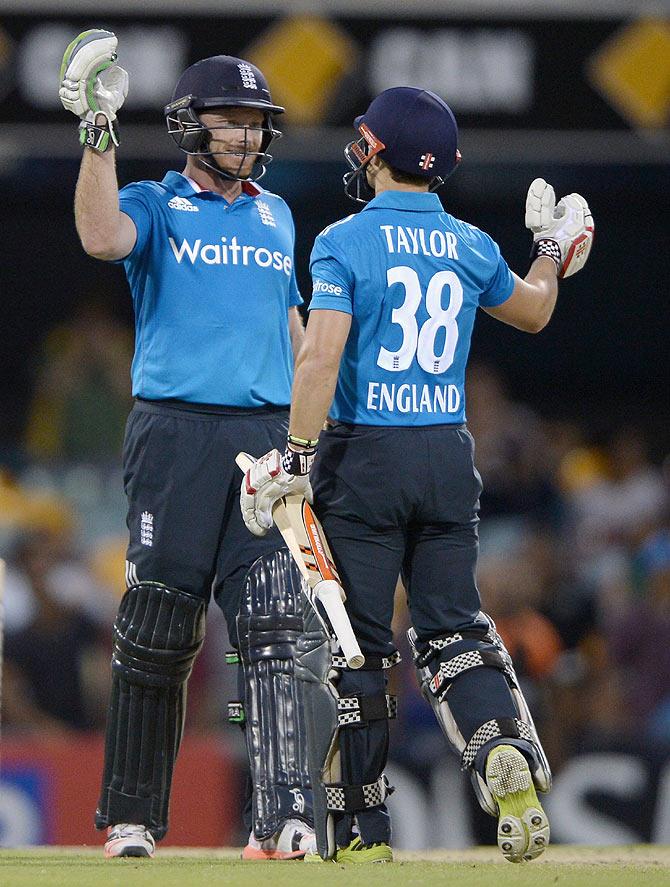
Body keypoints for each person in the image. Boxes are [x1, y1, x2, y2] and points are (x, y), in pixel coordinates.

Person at [240, 86, 594, 863]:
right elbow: (534, 310)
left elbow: (321, 354)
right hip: (445, 455)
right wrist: (552, 253)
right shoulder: (468, 242)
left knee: (357, 648)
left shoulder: (342, 240)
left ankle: (363, 834)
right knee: (454, 628)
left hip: (364, 456)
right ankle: (502, 748)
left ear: (375, 151)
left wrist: (295, 457)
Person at [59, 29, 314, 859]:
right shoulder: (158, 202)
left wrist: (310, 440)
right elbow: (99, 239)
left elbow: (295, 329)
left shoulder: (278, 213)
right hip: (175, 436)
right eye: (229, 120)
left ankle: (284, 819)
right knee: (158, 627)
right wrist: (98, 133)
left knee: (277, 625)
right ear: (190, 124)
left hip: (265, 436)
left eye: (255, 122)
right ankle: (132, 818)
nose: (244, 135)